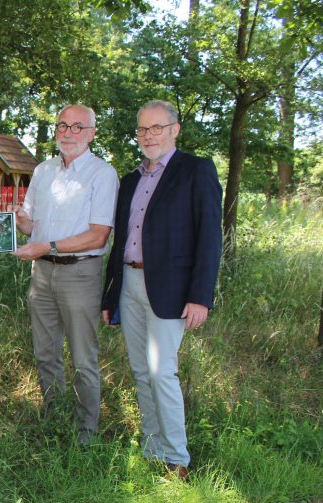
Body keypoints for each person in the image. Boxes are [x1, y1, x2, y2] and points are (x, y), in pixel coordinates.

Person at [102, 100, 223, 480]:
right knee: (140, 371)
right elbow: (120, 240)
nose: (148, 135)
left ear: (175, 129)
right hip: (130, 283)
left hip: (172, 289)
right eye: (142, 129)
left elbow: (209, 237)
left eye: (156, 127)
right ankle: (153, 448)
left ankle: (177, 460)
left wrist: (201, 295)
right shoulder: (130, 179)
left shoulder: (195, 170)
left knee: (161, 372)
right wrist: (110, 294)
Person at [13, 104, 119, 444]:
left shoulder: (102, 174)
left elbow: (98, 235)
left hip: (80, 274)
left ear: (91, 134)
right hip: (42, 273)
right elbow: (32, 226)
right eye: (62, 126)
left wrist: (47, 246)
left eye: (77, 127)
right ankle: (54, 419)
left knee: (83, 358)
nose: (68, 133)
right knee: (46, 353)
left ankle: (86, 433)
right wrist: (18, 220)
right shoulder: (43, 171)